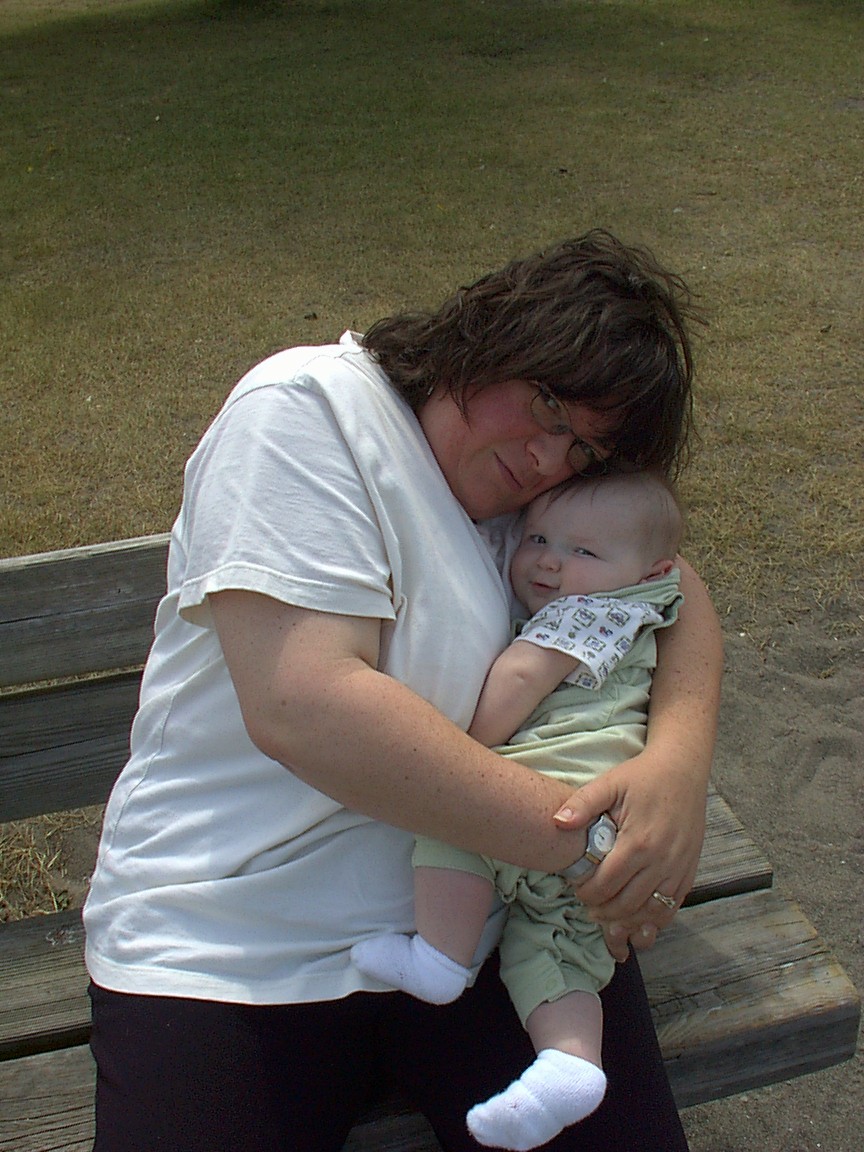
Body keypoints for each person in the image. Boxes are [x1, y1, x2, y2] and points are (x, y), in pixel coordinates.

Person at [82, 230, 722, 1152]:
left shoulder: (532, 508)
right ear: (487, 334)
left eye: (583, 449)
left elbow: (672, 584)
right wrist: (586, 849)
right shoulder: (310, 413)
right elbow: (307, 706)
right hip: (235, 938)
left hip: (484, 926)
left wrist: (680, 765)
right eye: (547, 403)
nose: (549, 458)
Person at [353, 470, 684, 1150]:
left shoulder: (581, 615)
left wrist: (467, 745)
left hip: (550, 794)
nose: (549, 562)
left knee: (454, 829)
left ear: (651, 569)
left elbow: (520, 677)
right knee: (555, 947)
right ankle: (570, 1064)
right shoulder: (649, 601)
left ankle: (441, 957)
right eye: (537, 539)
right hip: (604, 832)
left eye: (583, 552)